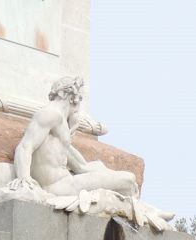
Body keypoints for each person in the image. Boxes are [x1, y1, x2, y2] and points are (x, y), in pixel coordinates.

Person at [10, 76, 139, 197]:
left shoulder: (61, 124)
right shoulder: (51, 114)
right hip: (60, 186)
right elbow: (25, 146)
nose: (79, 107)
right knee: (128, 179)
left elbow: (81, 167)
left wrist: (104, 172)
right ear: (73, 98)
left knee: (101, 167)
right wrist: (23, 178)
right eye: (80, 99)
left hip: (65, 182)